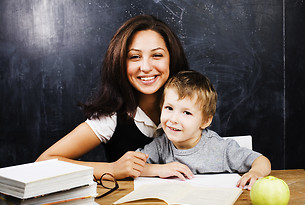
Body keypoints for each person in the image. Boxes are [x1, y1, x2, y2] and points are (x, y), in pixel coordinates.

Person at [36, 15, 189, 179]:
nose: (145, 67)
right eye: (134, 57)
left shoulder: (193, 103)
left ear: (172, 59)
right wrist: (112, 169)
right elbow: (43, 163)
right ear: (120, 62)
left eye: (157, 55)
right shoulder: (110, 119)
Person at [138, 70, 271, 190]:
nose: (173, 119)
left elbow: (261, 160)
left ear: (205, 121)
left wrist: (256, 173)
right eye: (169, 108)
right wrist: (158, 169)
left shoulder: (220, 148)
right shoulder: (161, 145)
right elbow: (134, 166)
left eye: (187, 113)